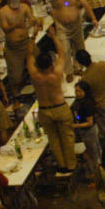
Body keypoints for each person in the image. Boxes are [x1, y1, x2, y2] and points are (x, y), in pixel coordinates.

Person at [27, 27, 76, 175]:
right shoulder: (56, 73)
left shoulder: (35, 75)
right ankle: (71, 165)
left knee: (54, 139)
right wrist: (54, 36)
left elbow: (29, 54)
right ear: (50, 64)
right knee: (67, 137)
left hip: (44, 109)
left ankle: (61, 165)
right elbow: (62, 53)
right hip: (60, 107)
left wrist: (33, 36)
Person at [75, 50, 105, 140]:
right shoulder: (103, 64)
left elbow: (86, 94)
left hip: (99, 105)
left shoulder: (85, 78)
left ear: (80, 63)